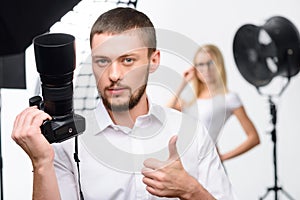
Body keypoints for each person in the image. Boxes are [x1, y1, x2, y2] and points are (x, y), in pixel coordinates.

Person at [11, 8, 237, 200]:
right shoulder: (69, 142)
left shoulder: (192, 132)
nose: (114, 74)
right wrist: (41, 163)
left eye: (127, 60)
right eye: (102, 61)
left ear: (153, 61)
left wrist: (191, 190)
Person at [168, 44, 260, 162]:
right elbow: (163, 115)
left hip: (206, 165)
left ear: (219, 65)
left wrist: (221, 158)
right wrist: (183, 83)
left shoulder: (229, 99)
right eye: (201, 64)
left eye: (211, 63)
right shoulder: (188, 99)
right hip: (182, 163)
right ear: (195, 68)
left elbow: (254, 138)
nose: (206, 69)